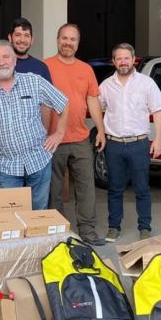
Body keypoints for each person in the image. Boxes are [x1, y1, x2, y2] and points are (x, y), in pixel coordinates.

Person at [0, 40, 68, 210]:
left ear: (14, 60)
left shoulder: (34, 81)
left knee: (37, 213)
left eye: (6, 56)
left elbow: (63, 103)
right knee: (9, 216)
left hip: (39, 161)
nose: (1, 61)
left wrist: (59, 133)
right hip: (7, 166)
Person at [45, 23, 106, 247]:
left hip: (80, 137)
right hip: (52, 139)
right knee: (54, 189)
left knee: (86, 187)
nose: (68, 43)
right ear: (58, 39)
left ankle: (88, 231)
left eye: (72, 39)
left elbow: (92, 100)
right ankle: (59, 232)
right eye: (64, 38)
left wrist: (100, 129)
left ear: (78, 43)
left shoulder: (86, 69)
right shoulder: (45, 66)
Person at [99, 43, 161, 242]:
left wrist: (158, 140)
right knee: (115, 189)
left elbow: (158, 112)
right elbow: (98, 109)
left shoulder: (146, 83)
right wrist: (101, 133)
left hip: (139, 143)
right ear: (113, 61)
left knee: (142, 188)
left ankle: (144, 227)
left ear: (133, 59)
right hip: (114, 145)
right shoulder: (105, 86)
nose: (123, 62)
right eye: (118, 58)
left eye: (126, 58)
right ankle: (114, 227)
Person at [0, 18, 51, 85]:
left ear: (32, 40)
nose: (22, 40)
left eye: (26, 35)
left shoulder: (41, 68)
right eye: (18, 35)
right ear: (10, 38)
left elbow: (49, 100)